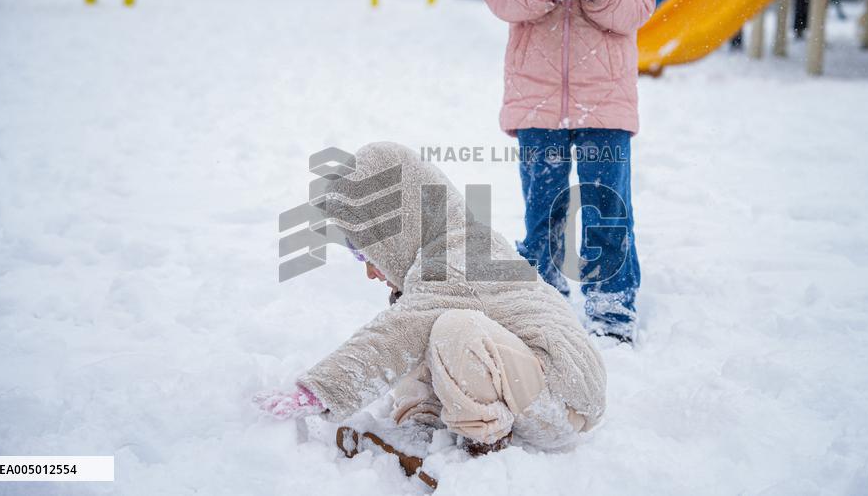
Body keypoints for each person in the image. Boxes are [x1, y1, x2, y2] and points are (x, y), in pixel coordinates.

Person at [254, 143, 606, 453]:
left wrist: (320, 390)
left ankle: (484, 439)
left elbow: (389, 340)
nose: (370, 271)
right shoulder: (436, 263)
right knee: (419, 323)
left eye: (365, 253)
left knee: (446, 329)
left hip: (562, 397)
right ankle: (422, 424)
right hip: (532, 386)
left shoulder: (460, 255)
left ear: (395, 229)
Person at [483, 0, 655, 343]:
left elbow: (638, 8)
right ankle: (542, 292)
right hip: (536, 99)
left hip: (605, 98)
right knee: (543, 206)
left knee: (605, 203)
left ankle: (611, 300)